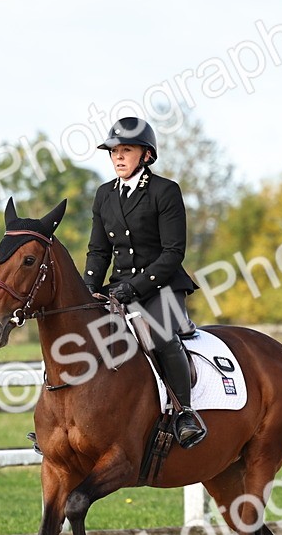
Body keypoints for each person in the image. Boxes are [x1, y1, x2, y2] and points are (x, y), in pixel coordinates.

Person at [83, 116, 207, 449]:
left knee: (162, 336)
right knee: (78, 339)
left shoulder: (165, 191)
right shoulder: (104, 195)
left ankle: (185, 413)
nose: (118, 157)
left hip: (162, 287)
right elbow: (98, 251)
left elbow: (173, 253)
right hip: (118, 288)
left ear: (146, 155)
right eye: (113, 151)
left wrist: (136, 287)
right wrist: (90, 288)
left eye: (126, 150)